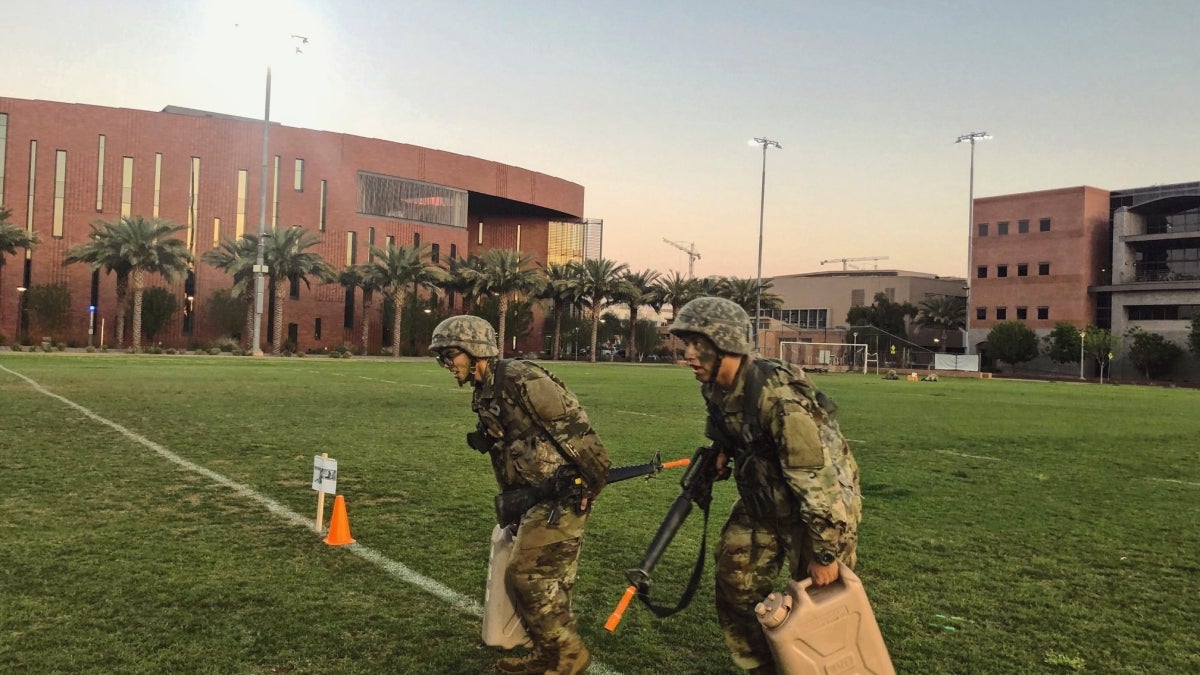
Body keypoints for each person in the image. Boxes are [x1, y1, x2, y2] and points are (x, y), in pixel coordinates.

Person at [668, 297, 862, 674]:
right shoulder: (714, 387)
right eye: (685, 343)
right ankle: (763, 667)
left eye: (698, 344)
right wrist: (722, 452)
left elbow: (818, 483)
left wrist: (824, 556)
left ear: (726, 344)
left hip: (817, 513)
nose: (688, 354)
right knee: (735, 581)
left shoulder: (779, 397)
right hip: (765, 501)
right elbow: (729, 430)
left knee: (822, 608)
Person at [430, 315, 610, 675]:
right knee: (545, 579)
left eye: (452, 355)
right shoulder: (485, 391)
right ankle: (549, 655)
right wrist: (512, 501)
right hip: (532, 494)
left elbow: (574, 426)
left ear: (475, 351)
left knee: (528, 574)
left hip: (562, 491)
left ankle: (568, 655)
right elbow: (504, 452)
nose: (448, 365)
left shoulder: (520, 378)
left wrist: (593, 481)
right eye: (444, 358)